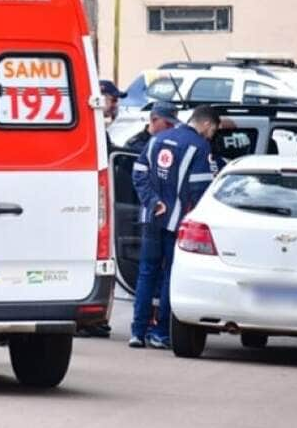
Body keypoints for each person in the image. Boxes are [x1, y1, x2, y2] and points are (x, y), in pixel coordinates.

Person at [129, 105, 221, 349]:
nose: (211, 136)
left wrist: (152, 202)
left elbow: (138, 173)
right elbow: (199, 190)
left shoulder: (157, 139)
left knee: (146, 272)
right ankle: (160, 333)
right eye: (213, 131)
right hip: (177, 222)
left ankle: (137, 332)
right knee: (171, 274)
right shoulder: (200, 147)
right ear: (207, 125)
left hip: (151, 218)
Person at [79, 78, 127, 339]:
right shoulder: (93, 129)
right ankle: (89, 319)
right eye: (113, 98)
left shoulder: (99, 130)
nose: (116, 104)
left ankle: (93, 319)